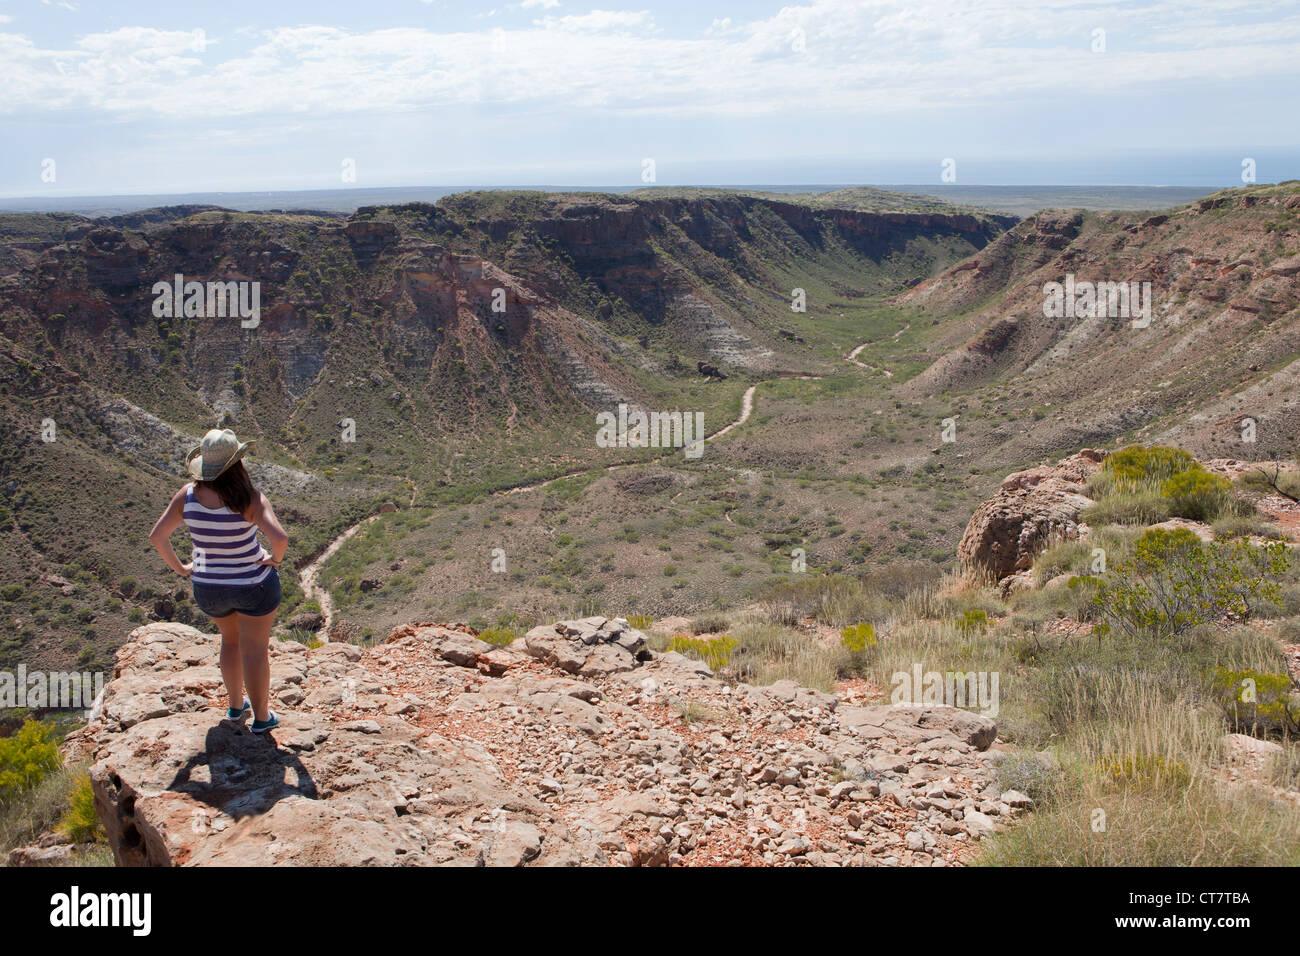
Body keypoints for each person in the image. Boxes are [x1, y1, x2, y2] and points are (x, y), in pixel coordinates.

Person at [149, 428, 288, 733]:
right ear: (237, 463)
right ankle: (263, 718)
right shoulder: (249, 498)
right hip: (254, 586)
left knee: (230, 641)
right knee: (254, 649)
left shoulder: (186, 496)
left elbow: (157, 536)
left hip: (209, 587)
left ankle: (237, 707)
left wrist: (182, 568)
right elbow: (280, 538)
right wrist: (274, 560)